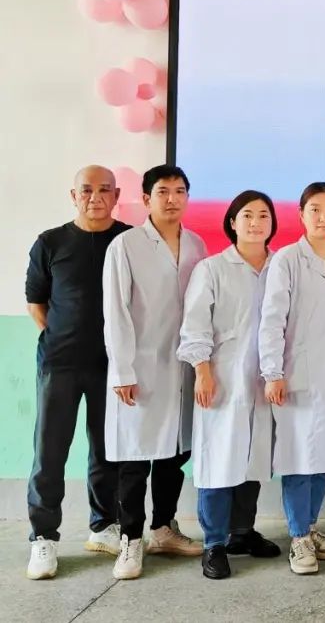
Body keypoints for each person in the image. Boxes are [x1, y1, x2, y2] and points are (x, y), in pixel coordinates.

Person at [24, 166, 131, 580]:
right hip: (60, 364)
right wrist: (60, 338)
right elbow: (36, 302)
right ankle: (43, 538)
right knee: (49, 453)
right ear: (74, 195)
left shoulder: (128, 241)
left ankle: (103, 526)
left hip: (113, 366)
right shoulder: (50, 242)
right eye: (86, 190)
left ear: (116, 195)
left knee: (107, 451)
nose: (95, 197)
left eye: (104, 190)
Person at [103, 164, 208, 580]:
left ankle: (163, 528)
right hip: (140, 367)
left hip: (182, 367)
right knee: (134, 457)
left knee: (174, 455)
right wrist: (123, 370)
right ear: (146, 198)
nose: (172, 199)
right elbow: (116, 311)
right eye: (163, 191)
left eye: (180, 191)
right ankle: (131, 540)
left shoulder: (196, 244)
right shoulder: (126, 245)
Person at [259, 182, 325, 575]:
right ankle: (298, 536)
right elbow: (272, 320)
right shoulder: (287, 259)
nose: (324, 217)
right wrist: (273, 372)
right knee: (299, 457)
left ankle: (310, 525)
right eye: (315, 209)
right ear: (301, 214)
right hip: (297, 376)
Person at [178, 191, 281, 580]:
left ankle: (243, 531)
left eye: (263, 215)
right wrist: (202, 370)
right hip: (222, 378)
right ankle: (214, 543)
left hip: (265, 378)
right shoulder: (212, 269)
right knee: (218, 460)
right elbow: (195, 324)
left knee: (254, 457)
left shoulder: (280, 267)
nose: (255, 222)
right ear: (233, 222)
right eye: (247, 215)